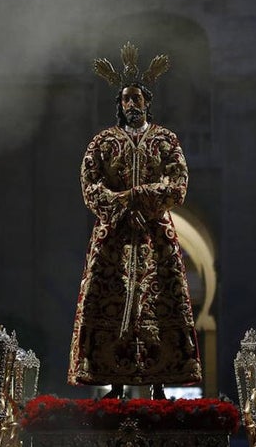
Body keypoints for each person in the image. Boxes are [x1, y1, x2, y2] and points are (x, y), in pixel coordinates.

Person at [67, 42, 202, 401]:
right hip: (114, 235)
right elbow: (90, 185)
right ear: (119, 104)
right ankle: (114, 382)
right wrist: (120, 203)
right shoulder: (102, 143)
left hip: (154, 234)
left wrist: (144, 198)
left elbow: (178, 183)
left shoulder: (166, 140)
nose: (131, 105)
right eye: (125, 99)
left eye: (136, 99)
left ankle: (159, 381)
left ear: (147, 102)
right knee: (107, 297)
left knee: (161, 301)